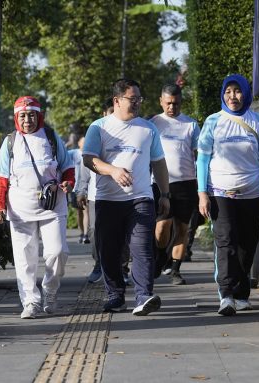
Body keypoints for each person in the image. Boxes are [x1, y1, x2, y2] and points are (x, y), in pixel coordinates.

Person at [83, 78, 170, 316]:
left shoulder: (148, 128)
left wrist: (164, 194)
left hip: (140, 199)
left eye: (140, 99)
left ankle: (143, 297)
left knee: (142, 248)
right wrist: (113, 170)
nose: (137, 103)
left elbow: (159, 163)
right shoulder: (98, 127)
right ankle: (115, 295)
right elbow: (88, 159)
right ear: (117, 100)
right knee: (108, 250)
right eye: (133, 99)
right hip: (107, 200)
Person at [196, 74, 259, 316]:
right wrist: (202, 193)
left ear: (245, 93)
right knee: (226, 241)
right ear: (223, 94)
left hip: (252, 192)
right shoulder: (213, 121)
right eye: (228, 91)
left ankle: (242, 294)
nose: (233, 96)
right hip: (221, 192)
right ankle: (227, 294)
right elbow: (202, 159)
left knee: (247, 243)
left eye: (238, 91)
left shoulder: (257, 120)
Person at [0, 96, 75, 319]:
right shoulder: (10, 142)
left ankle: (50, 291)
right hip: (20, 208)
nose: (27, 120)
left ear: (39, 116)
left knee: (58, 252)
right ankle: (30, 302)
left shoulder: (51, 137)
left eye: (31, 115)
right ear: (16, 118)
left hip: (52, 206)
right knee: (24, 259)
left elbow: (67, 168)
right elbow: (0, 178)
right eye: (22, 116)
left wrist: (68, 183)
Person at [76, 98, 131, 284]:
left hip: (123, 193)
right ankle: (99, 263)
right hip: (96, 195)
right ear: (104, 114)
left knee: (122, 233)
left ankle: (122, 268)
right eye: (109, 113)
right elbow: (86, 165)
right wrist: (81, 190)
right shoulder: (96, 132)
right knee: (95, 232)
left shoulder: (126, 135)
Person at [150, 84, 200, 285]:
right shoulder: (153, 124)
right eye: (169, 103)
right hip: (162, 184)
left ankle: (176, 270)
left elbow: (199, 154)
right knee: (162, 227)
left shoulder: (191, 125)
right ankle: (161, 255)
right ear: (161, 102)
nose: (172, 107)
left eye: (176, 103)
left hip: (186, 184)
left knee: (182, 228)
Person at [69, 136, 90, 244]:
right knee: (79, 212)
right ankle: (82, 232)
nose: (85, 144)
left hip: (88, 187)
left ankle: (86, 234)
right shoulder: (74, 153)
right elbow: (62, 156)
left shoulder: (91, 153)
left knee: (86, 210)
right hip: (75, 188)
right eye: (83, 142)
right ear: (79, 144)